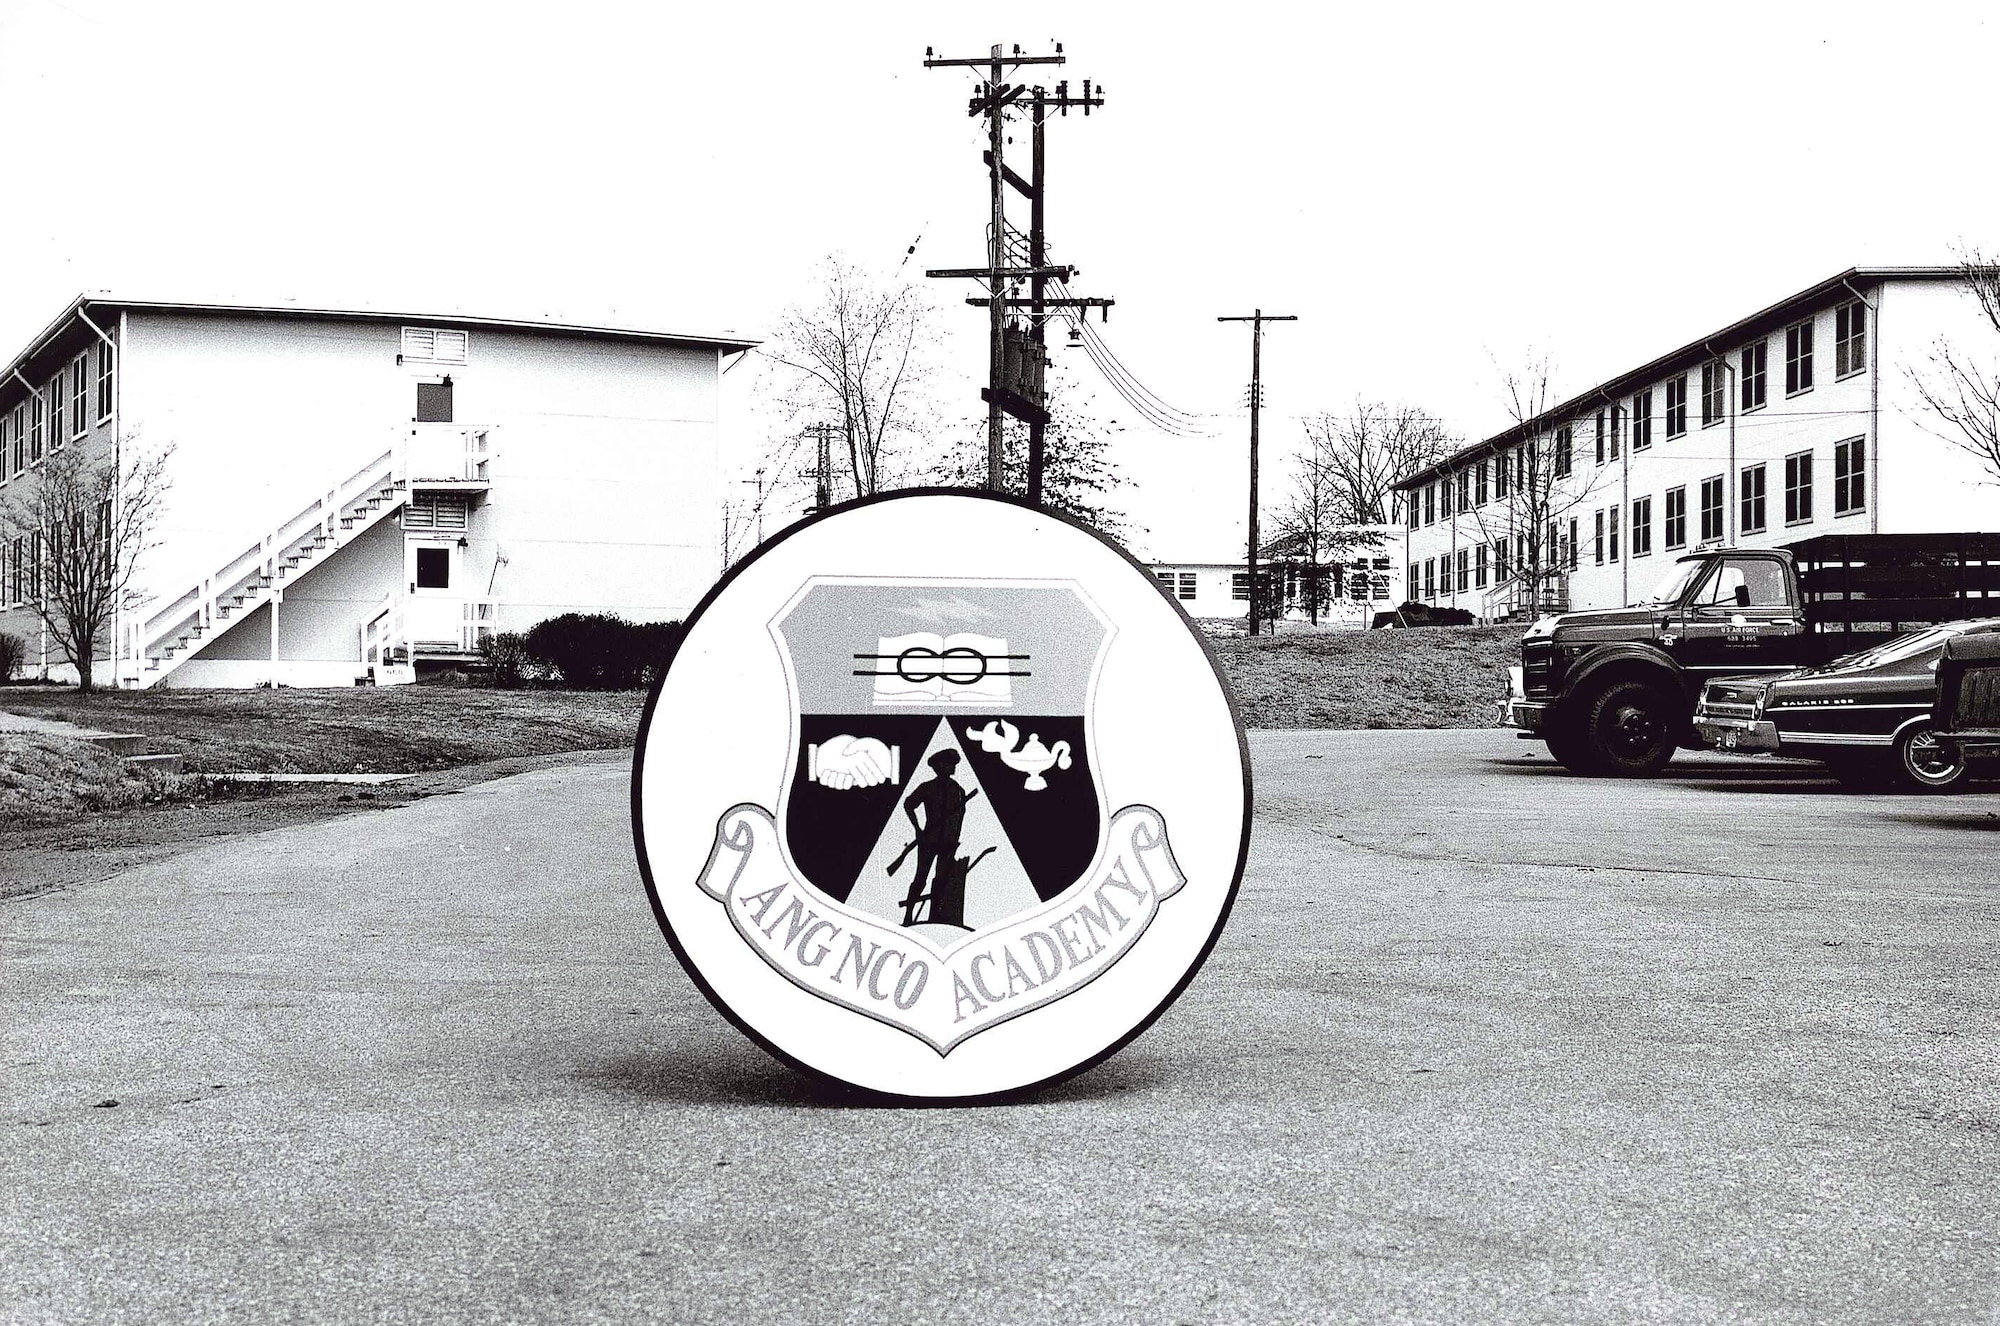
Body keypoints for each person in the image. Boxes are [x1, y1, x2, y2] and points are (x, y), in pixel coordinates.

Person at [899, 750, 969, 926]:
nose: (952, 767)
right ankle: (908, 915)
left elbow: (960, 818)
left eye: (953, 763)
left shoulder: (959, 791)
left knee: (941, 881)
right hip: (928, 842)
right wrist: (917, 830)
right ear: (939, 766)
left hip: (948, 844)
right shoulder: (927, 788)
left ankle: (935, 916)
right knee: (920, 879)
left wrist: (954, 838)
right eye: (948, 763)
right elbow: (908, 804)